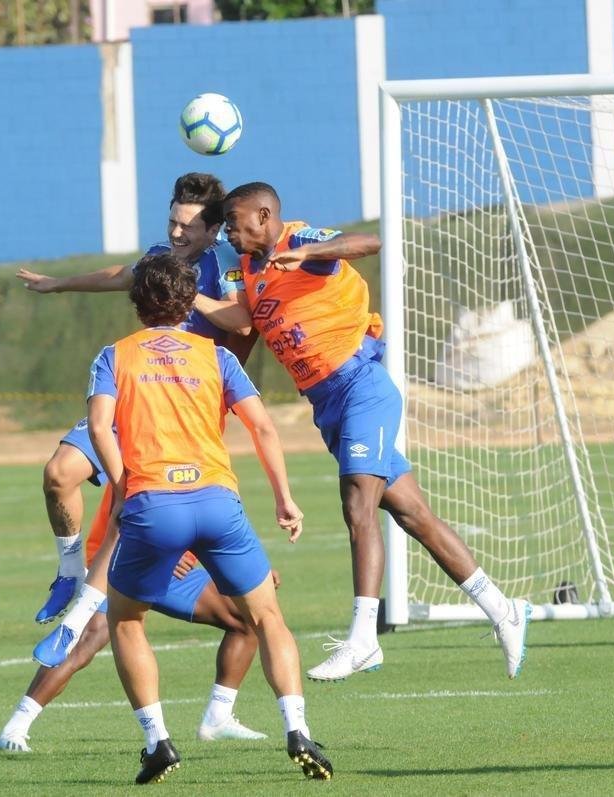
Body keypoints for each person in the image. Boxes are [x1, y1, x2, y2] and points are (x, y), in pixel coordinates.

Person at [211, 181, 531, 682]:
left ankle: (363, 639)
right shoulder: (250, 271)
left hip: (362, 385)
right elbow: (246, 328)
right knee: (412, 513)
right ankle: (503, 609)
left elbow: (369, 243)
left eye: (234, 220)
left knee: (358, 503)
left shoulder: (299, 242)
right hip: (327, 404)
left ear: (264, 214)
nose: (229, 230)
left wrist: (311, 252)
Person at [82, 252, 332, 784]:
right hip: (218, 501)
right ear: (186, 301)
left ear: (137, 303)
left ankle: (158, 742)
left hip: (153, 506)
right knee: (268, 617)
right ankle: (298, 730)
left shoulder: (114, 356)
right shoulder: (217, 356)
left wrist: (125, 486)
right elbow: (262, 428)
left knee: (125, 620)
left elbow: (100, 427)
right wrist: (284, 497)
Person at [15, 173, 252, 624]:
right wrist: (58, 283)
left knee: (131, 517)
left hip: (178, 415)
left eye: (188, 226)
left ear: (212, 230)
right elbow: (120, 276)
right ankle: (69, 573)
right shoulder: (160, 256)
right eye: (172, 222)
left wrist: (187, 292)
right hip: (134, 389)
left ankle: (87, 621)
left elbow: (241, 320)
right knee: (59, 473)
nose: (177, 232)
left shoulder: (224, 261)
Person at [0, 488, 275, 753]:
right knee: (89, 637)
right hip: (118, 562)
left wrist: (250, 573)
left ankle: (218, 718)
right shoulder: (141, 453)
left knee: (245, 618)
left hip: (169, 569)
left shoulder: (199, 453)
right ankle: (15, 727)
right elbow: (124, 514)